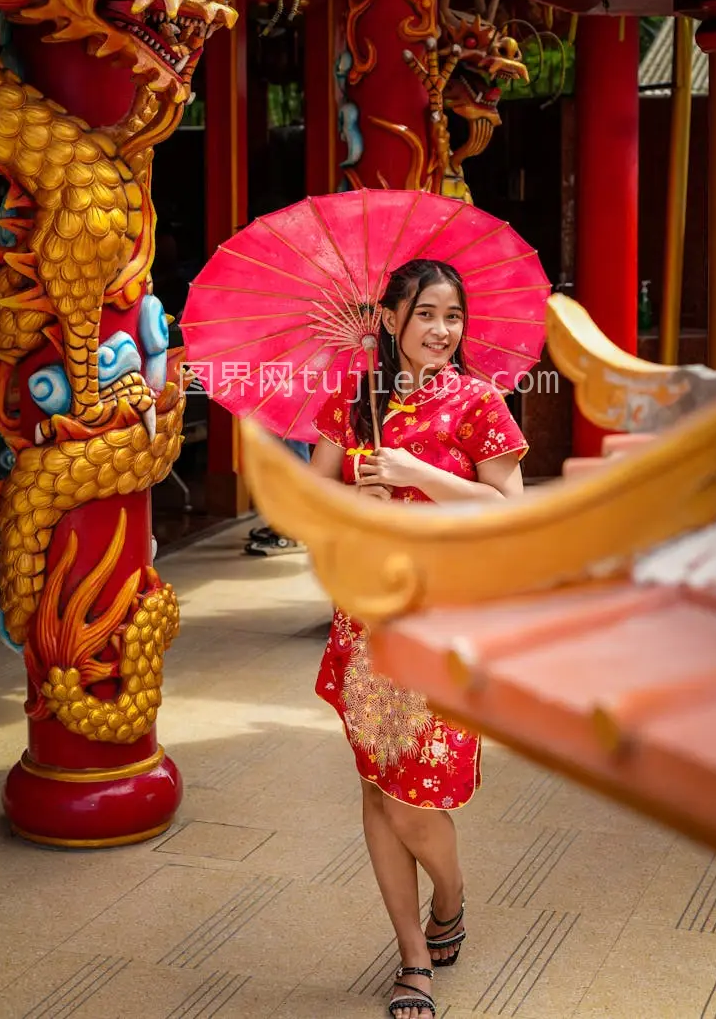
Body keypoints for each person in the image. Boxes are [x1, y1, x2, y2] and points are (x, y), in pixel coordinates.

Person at [310, 259, 527, 1019]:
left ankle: (451, 895)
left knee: (414, 799)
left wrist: (415, 474)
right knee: (378, 784)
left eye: (453, 317)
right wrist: (353, 497)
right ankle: (412, 958)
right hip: (368, 615)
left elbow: (506, 508)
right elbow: (315, 502)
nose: (442, 331)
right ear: (391, 320)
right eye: (427, 314)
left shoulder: (479, 401)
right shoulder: (354, 398)